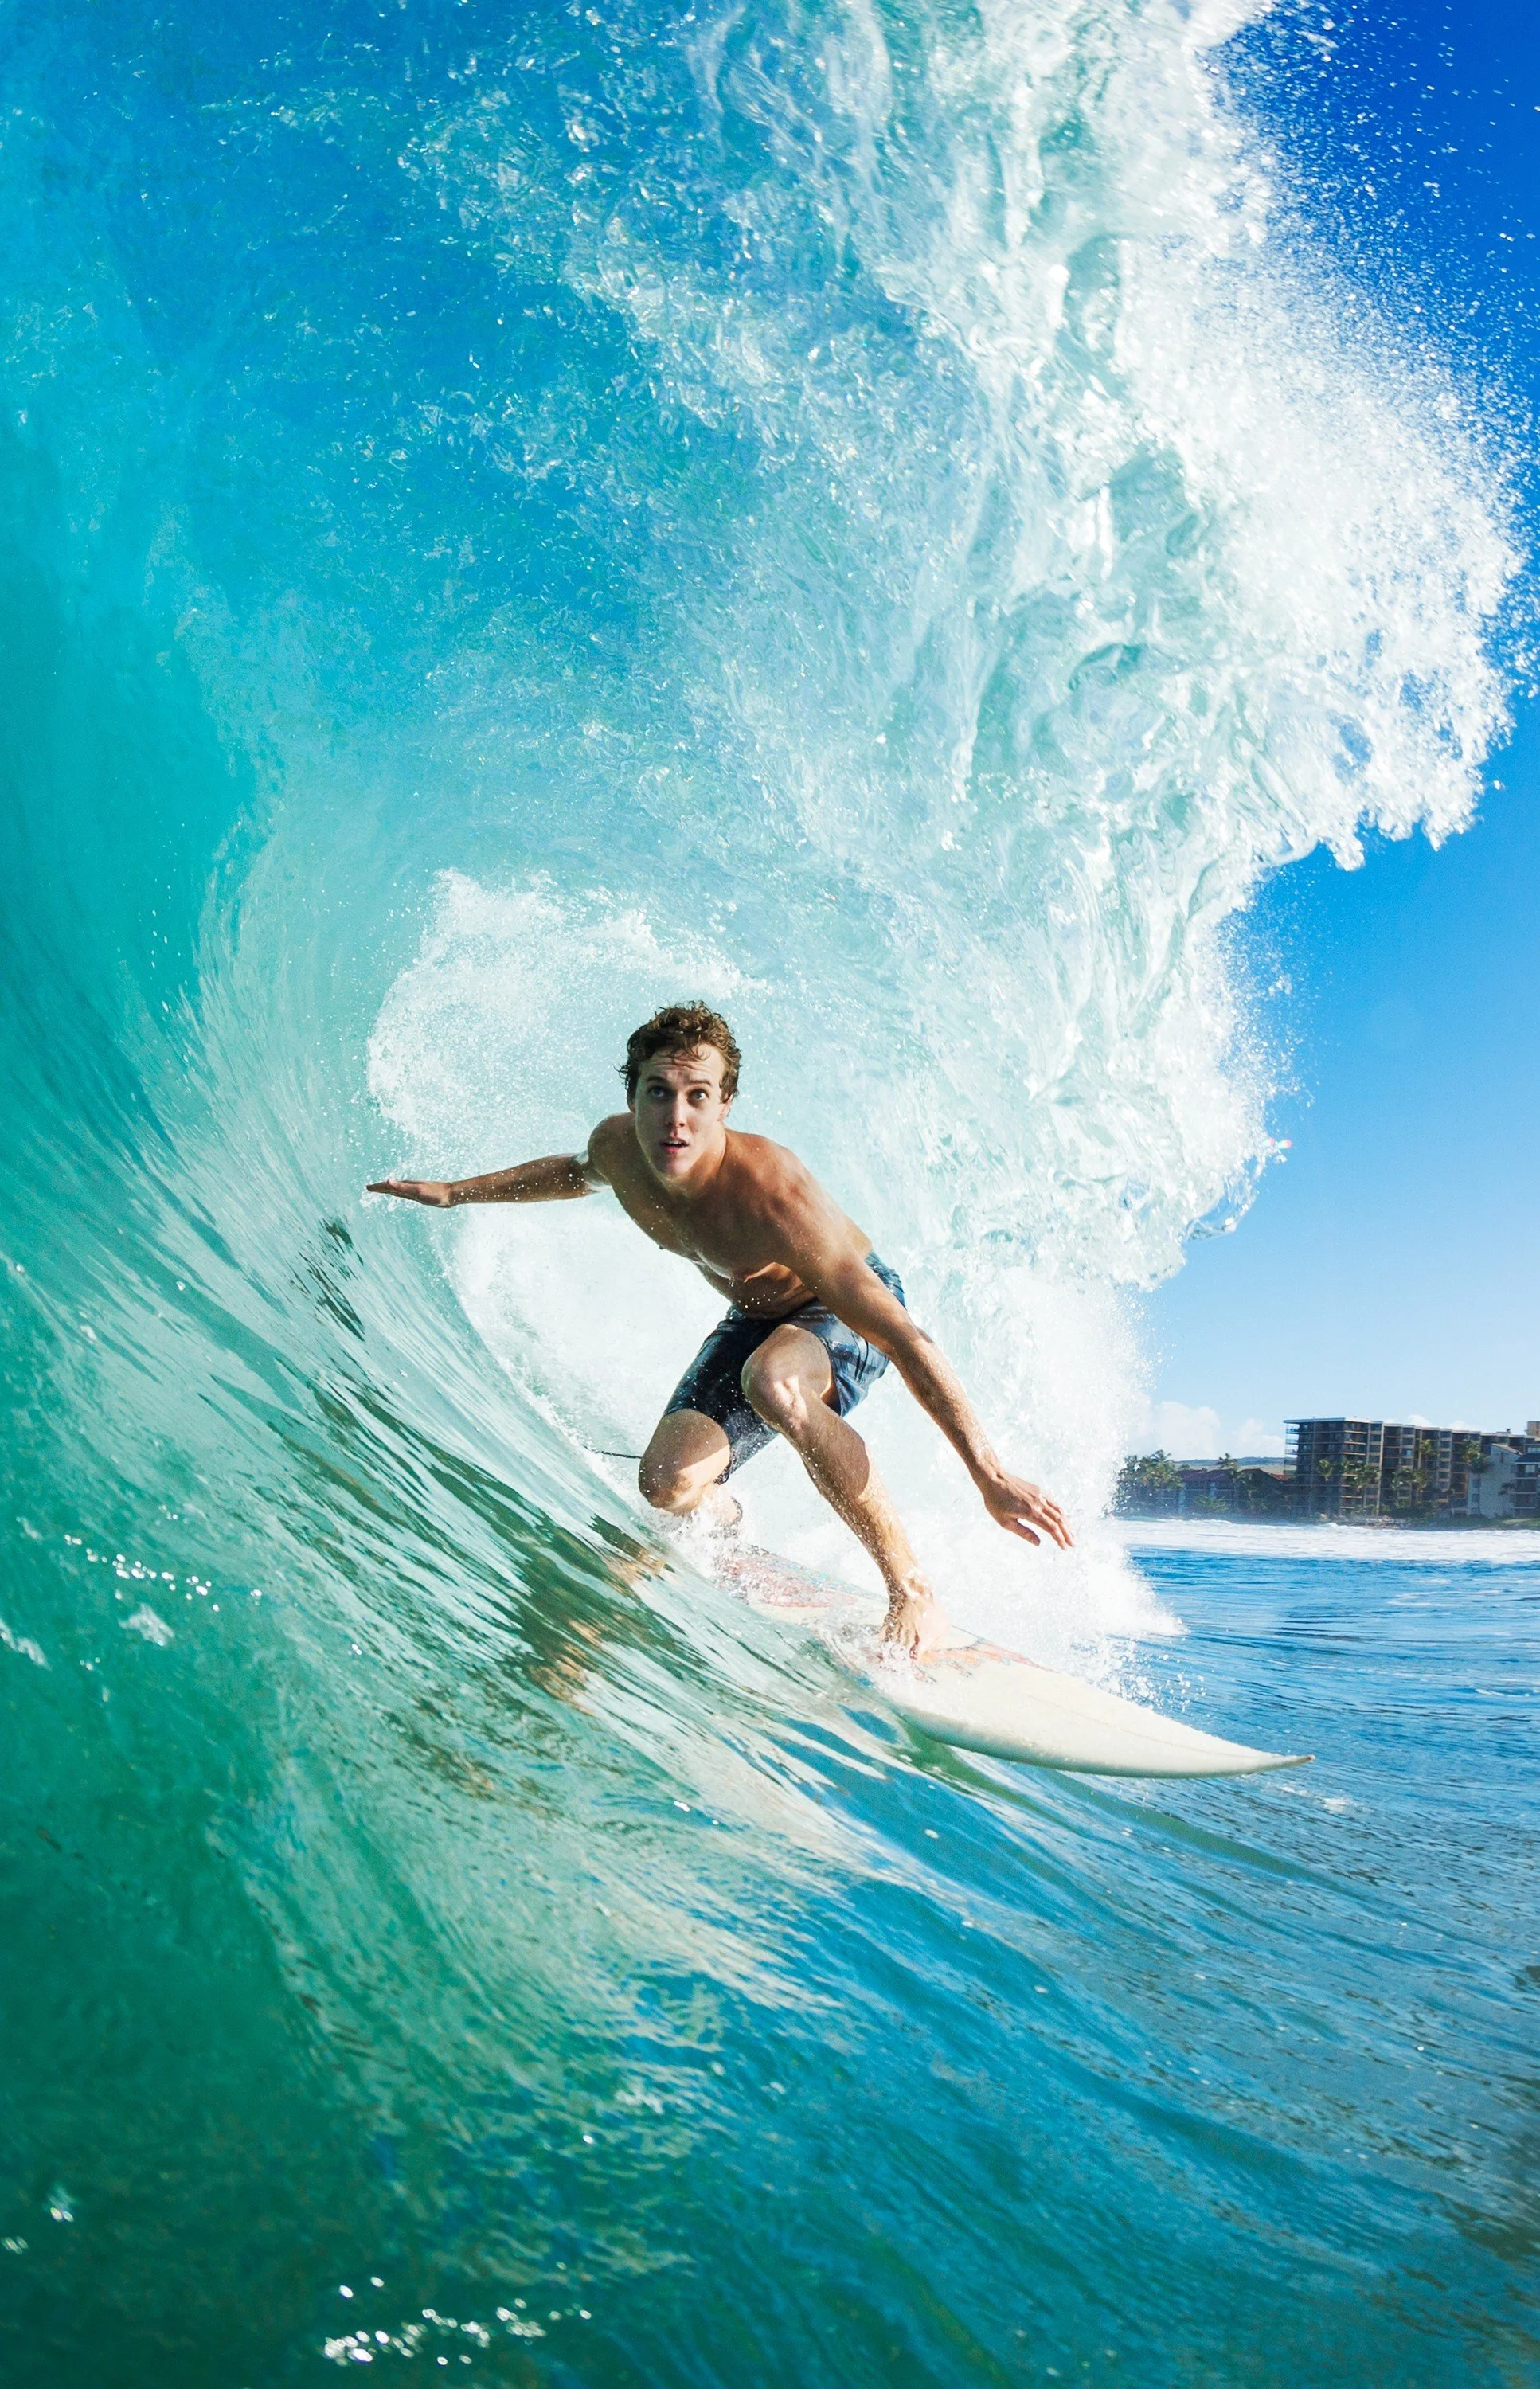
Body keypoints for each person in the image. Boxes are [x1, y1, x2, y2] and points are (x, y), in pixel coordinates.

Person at [368, 1001, 1072, 1652]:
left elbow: (903, 1336)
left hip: (841, 1312)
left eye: (698, 1096)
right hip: (756, 1314)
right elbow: (574, 1174)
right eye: (659, 1093)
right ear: (632, 1096)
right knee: (666, 1485)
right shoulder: (619, 1150)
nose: (676, 1117)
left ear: (724, 1105)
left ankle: (913, 1592)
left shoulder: (775, 1197)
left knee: (773, 1381)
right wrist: (456, 1193)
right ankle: (724, 1516)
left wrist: (990, 1472)